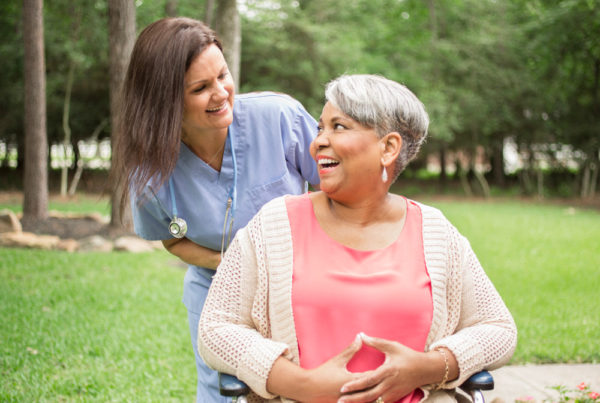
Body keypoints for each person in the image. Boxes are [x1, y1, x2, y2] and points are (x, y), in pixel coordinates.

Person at [197, 74, 517, 403]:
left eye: (339, 127)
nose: (318, 141)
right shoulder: (273, 225)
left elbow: (498, 328)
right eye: (321, 127)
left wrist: (432, 366)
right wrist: (300, 384)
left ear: (388, 147)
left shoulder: (435, 232)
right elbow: (217, 329)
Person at [111, 17, 320, 402]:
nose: (221, 92)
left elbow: (341, 188)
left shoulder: (279, 118)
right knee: (223, 389)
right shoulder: (149, 173)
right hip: (217, 292)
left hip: (302, 285)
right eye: (201, 88)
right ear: (165, 100)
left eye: (223, 75)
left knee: (304, 384)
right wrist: (229, 263)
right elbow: (172, 241)